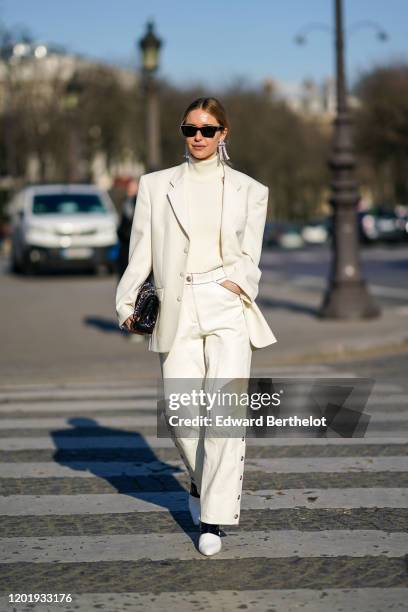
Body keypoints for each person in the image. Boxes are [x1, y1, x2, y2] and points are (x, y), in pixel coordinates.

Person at [115, 96, 278, 556]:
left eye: (208, 130)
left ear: (224, 133)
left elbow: (252, 255)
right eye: (191, 130)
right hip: (177, 303)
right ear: (182, 132)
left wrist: (238, 283)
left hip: (226, 304)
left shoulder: (251, 190)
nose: (199, 138)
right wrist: (126, 301)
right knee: (182, 413)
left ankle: (214, 518)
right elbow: (141, 250)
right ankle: (199, 481)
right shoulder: (156, 185)